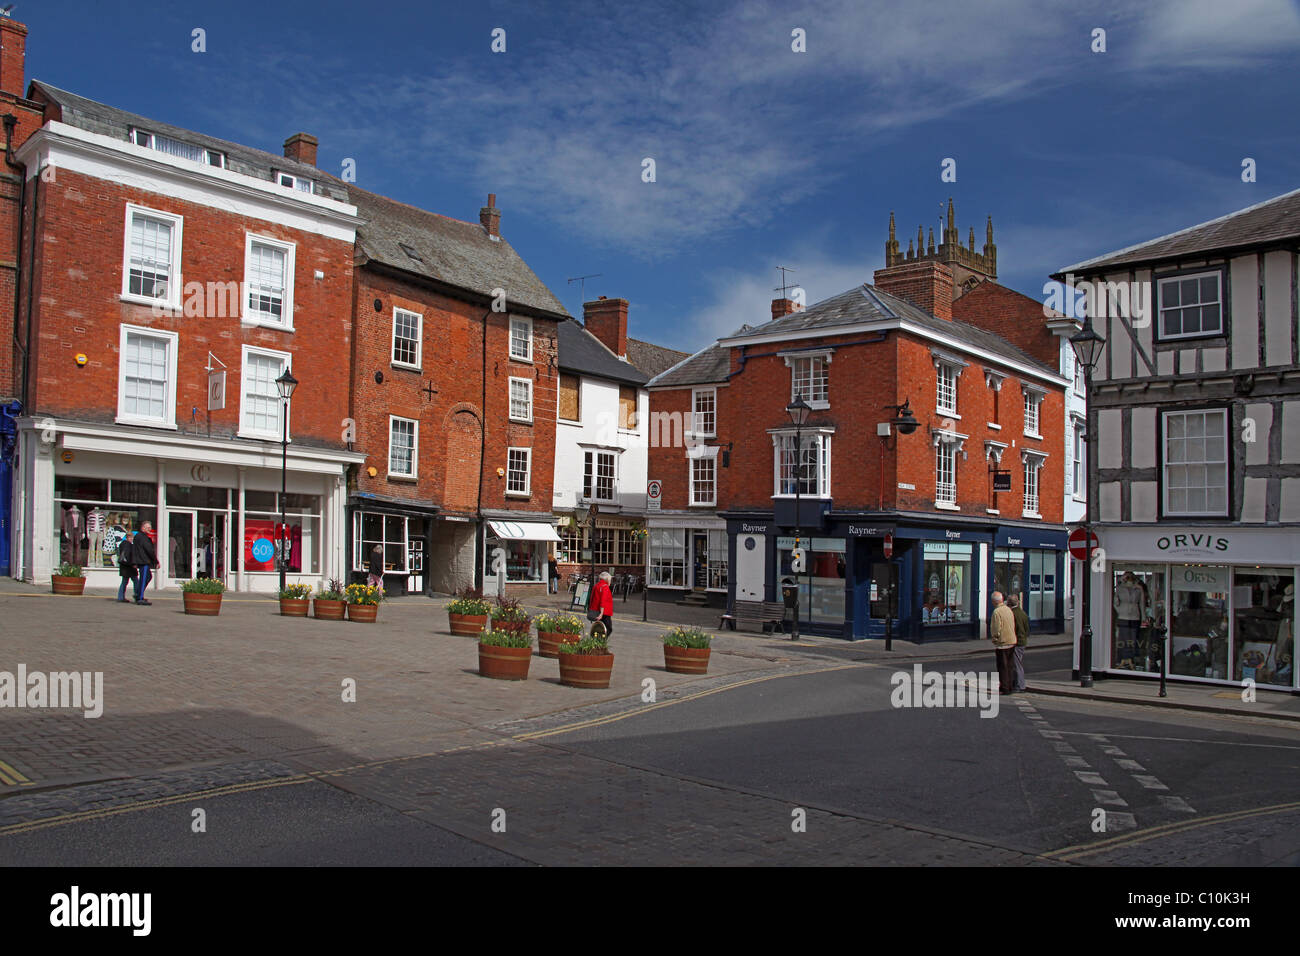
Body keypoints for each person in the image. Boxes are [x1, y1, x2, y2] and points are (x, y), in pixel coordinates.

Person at [989, 590, 1017, 695]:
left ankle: (1004, 688)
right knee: (1010, 666)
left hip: (1003, 643)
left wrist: (995, 638)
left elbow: (996, 628)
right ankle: (1010, 686)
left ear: (993, 601)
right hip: (1012, 641)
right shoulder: (1008, 609)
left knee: (1002, 667)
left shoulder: (997, 612)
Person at [1008, 594, 1030, 692]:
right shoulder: (1023, 613)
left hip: (1016, 642)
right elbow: (1027, 629)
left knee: (1016, 664)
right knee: (1015, 663)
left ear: (1009, 603)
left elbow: (1012, 629)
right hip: (1022, 641)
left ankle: (1020, 685)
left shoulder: (1012, 614)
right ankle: (1015, 684)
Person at [132, 521, 159, 605]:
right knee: (144, 579)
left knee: (148, 577)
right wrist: (156, 561)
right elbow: (149, 550)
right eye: (147, 527)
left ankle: (138, 594)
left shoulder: (139, 536)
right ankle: (139, 597)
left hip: (141, 560)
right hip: (143, 561)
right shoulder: (143, 537)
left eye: (150, 527)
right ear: (142, 528)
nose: (149, 529)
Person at [590, 570, 614, 637]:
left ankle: (597, 641)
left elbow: (592, 598)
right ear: (607, 579)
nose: (610, 581)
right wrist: (601, 613)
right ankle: (600, 643)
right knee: (608, 629)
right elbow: (603, 601)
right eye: (610, 579)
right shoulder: (605, 587)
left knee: (598, 628)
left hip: (596, 610)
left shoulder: (596, 586)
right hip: (604, 612)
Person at [116, 531, 137, 604]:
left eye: (132, 537)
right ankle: (137, 595)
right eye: (130, 537)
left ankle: (120, 596)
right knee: (135, 581)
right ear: (127, 537)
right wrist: (133, 564)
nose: (131, 539)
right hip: (129, 566)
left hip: (124, 567)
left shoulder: (122, 544)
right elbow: (129, 556)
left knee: (124, 582)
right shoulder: (128, 545)